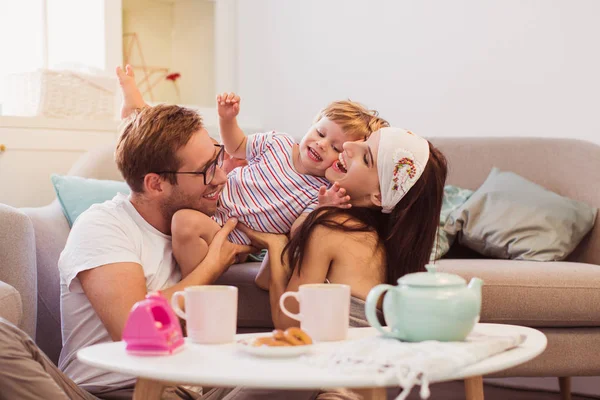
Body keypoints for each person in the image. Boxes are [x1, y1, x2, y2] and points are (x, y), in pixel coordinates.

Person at [115, 65, 389, 280]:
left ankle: (193, 289)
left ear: (343, 159)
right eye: (320, 132)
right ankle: (136, 113)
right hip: (212, 199)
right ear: (313, 123)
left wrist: (322, 209)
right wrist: (227, 119)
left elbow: (296, 232)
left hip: (231, 238)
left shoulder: (316, 192)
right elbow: (237, 146)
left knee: (183, 222)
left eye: (335, 147)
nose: (321, 144)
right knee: (171, 152)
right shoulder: (278, 143)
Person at [242, 127, 448, 330]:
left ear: (380, 196)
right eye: (364, 141)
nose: (348, 146)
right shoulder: (371, 232)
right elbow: (266, 280)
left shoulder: (331, 226)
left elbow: (288, 323)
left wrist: (276, 245)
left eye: (366, 158)